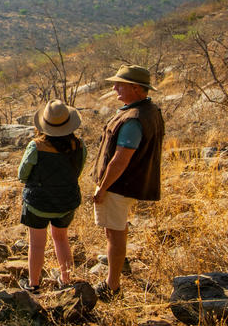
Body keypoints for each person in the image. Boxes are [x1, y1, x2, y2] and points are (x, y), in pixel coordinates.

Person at [91, 64, 164, 301]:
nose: (115, 89)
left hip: (119, 185)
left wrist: (102, 187)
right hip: (129, 183)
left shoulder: (133, 119)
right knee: (116, 228)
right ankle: (120, 266)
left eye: (120, 85)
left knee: (114, 232)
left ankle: (112, 285)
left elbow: (120, 160)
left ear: (135, 88)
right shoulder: (147, 110)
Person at [18, 99, 86, 292]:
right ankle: (67, 281)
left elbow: (22, 175)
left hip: (38, 203)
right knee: (61, 239)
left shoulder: (36, 146)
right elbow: (77, 171)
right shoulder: (78, 145)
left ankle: (34, 285)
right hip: (67, 201)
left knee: (37, 244)